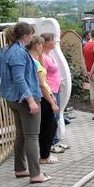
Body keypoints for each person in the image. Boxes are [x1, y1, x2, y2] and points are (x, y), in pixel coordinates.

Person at [0, 22, 51, 183]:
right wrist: (31, 101)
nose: (32, 37)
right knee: (31, 136)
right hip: (24, 100)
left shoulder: (7, 49)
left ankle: (20, 169)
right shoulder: (17, 52)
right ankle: (35, 174)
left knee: (21, 135)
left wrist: (5, 76)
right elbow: (19, 79)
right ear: (25, 36)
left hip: (13, 99)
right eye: (31, 34)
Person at [26, 36, 60, 165]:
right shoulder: (33, 62)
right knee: (48, 127)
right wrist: (51, 101)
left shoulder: (32, 60)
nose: (43, 46)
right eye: (41, 45)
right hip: (43, 97)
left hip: (43, 95)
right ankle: (45, 156)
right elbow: (42, 84)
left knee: (50, 125)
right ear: (37, 46)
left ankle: (44, 153)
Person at [42, 33, 68, 153]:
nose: (55, 42)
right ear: (46, 43)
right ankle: (51, 143)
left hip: (56, 88)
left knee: (57, 116)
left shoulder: (50, 54)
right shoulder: (41, 57)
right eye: (53, 40)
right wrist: (50, 93)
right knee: (52, 117)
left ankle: (56, 140)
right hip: (50, 90)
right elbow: (43, 77)